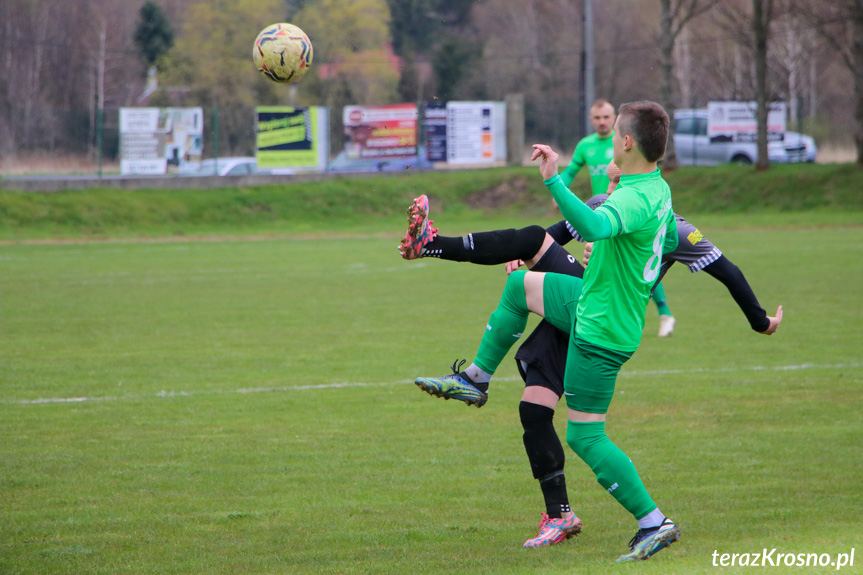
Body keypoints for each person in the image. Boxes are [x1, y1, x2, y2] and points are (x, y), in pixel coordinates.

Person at [398, 159, 782, 550]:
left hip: (603, 315)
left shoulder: (676, 227)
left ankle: (475, 375)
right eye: (610, 179)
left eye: (618, 175)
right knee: (534, 408)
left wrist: (759, 320)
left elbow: (727, 270)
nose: (611, 183)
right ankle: (560, 516)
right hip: (585, 301)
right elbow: (555, 235)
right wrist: (516, 251)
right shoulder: (604, 201)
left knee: (574, 423)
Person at [411, 101, 682, 562]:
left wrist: (553, 178)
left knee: (585, 437)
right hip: (591, 305)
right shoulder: (655, 188)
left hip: (602, 330)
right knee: (519, 285)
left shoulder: (636, 197)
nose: (611, 136)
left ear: (627, 142)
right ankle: (475, 379)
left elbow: (594, 223)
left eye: (616, 130)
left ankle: (654, 522)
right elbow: (668, 240)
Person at [559, 98, 675, 336]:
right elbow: (571, 170)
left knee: (635, 259)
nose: (602, 122)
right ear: (591, 120)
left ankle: (663, 312)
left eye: (606, 118)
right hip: (603, 212)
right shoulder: (586, 146)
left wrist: (553, 185)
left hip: (627, 210)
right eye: (597, 118)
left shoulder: (628, 147)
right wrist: (559, 188)